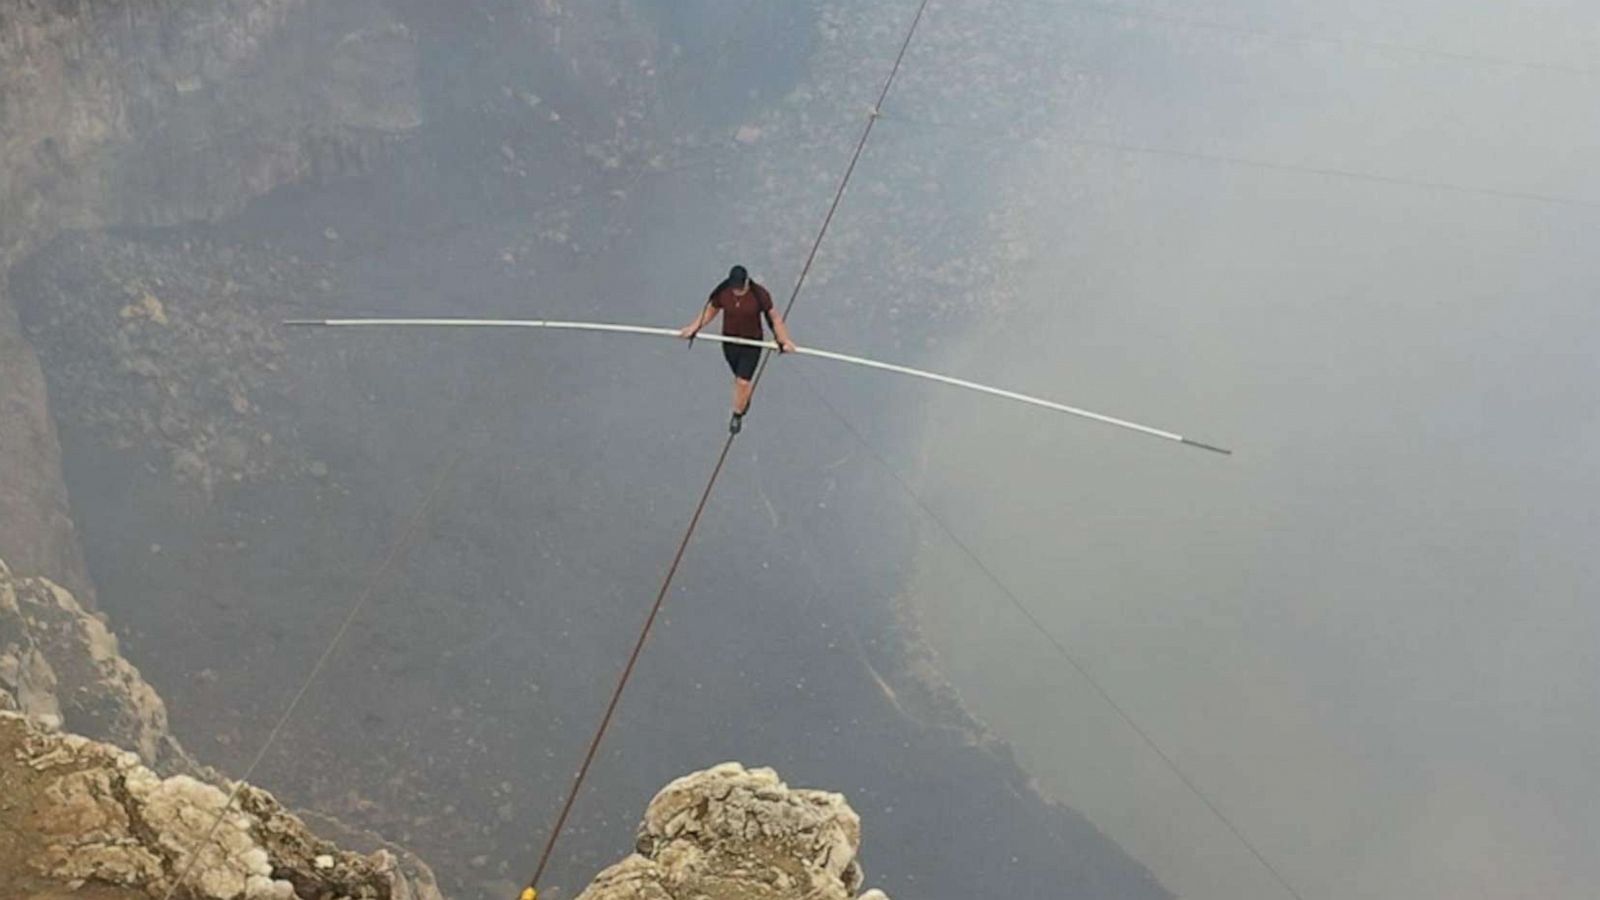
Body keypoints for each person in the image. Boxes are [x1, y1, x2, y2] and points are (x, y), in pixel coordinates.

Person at [679, 265, 796, 434]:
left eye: (739, 289)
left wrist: (784, 340)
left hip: (752, 344)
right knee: (738, 379)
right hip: (730, 343)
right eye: (734, 288)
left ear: (746, 282)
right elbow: (711, 309)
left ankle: (737, 414)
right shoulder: (724, 291)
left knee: (742, 382)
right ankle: (742, 399)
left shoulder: (759, 294)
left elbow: (774, 318)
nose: (736, 292)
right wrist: (693, 327)